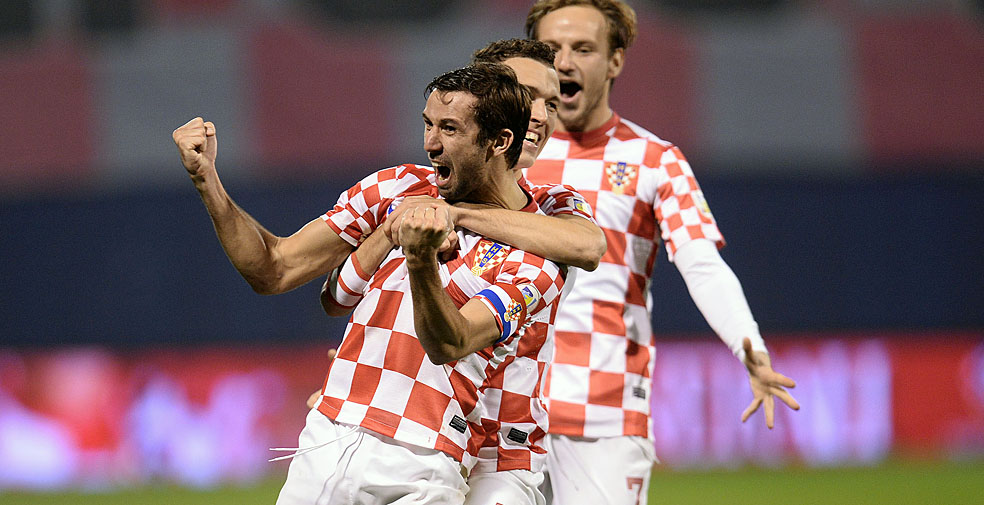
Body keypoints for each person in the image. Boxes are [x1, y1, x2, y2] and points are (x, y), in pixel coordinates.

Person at [174, 63, 570, 504]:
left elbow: (450, 342)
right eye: (428, 124)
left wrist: (421, 259)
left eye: (450, 129)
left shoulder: (540, 252)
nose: (431, 143)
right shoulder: (397, 188)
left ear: (499, 142)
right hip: (330, 437)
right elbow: (275, 269)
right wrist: (206, 179)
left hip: (428, 460)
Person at [522, 1, 801, 503]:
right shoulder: (503, 155)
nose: (564, 62)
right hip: (504, 405)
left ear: (615, 61)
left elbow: (702, 264)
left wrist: (748, 344)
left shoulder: (655, 160)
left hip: (602, 411)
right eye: (551, 49)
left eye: (583, 48)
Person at [315, 39, 605, 505]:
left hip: (499, 453)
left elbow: (589, 246)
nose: (540, 114)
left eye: (552, 102)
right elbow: (334, 296)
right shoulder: (409, 189)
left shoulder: (554, 207)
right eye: (524, 94)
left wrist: (457, 215)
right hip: (425, 435)